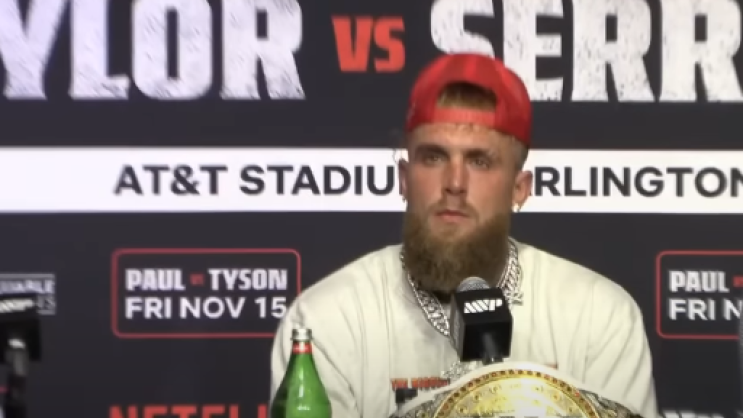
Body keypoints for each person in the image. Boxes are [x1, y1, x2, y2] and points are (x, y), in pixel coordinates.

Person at [269, 52, 658, 418]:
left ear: (519, 188)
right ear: (404, 178)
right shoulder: (325, 321)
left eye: (479, 161)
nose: (454, 182)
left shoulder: (598, 317)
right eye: (434, 157)